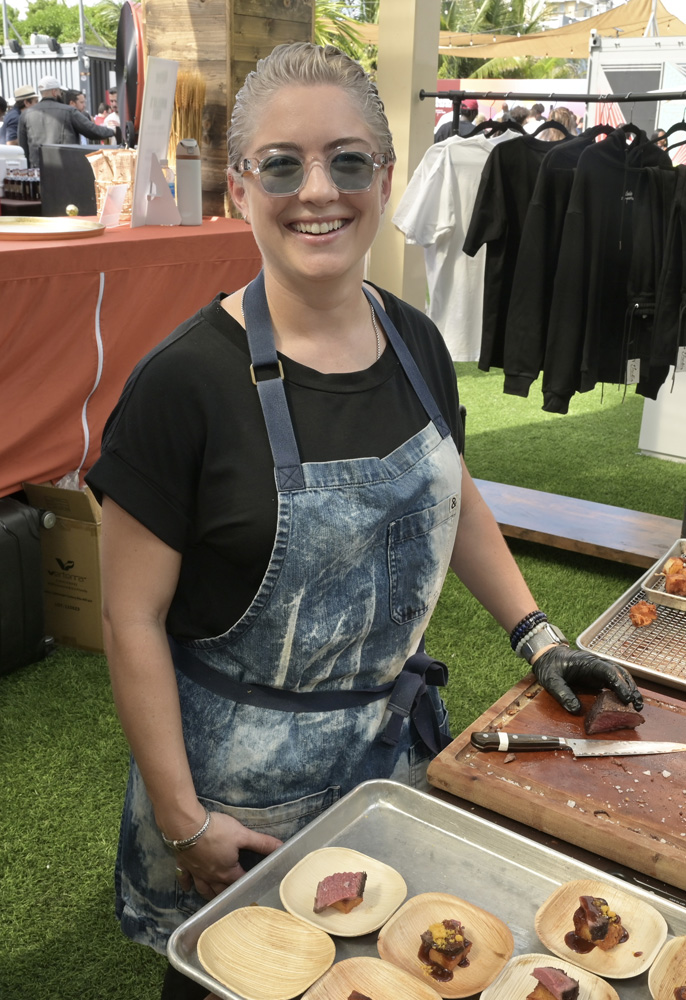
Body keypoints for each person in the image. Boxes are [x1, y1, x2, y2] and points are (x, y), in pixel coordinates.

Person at [85, 42, 642, 1000]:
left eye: (349, 161)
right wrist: (184, 821)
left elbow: (450, 491)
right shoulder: (182, 385)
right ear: (239, 186)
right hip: (233, 807)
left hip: (385, 774)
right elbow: (127, 619)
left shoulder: (413, 338)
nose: (319, 192)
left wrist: (540, 635)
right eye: (283, 164)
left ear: (384, 178)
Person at [18, 74, 115, 167]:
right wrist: (112, 130)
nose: (61, 94)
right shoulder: (69, 111)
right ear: (54, 92)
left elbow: (23, 148)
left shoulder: (25, 115)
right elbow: (92, 130)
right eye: (60, 92)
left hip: (38, 169)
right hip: (65, 167)